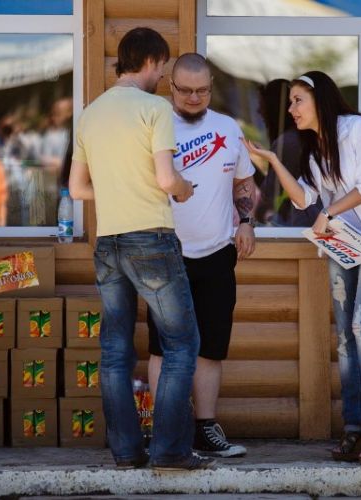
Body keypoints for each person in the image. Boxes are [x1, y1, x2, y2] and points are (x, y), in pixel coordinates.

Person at [243, 71, 361, 465]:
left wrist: (329, 212)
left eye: (298, 101)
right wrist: (273, 161)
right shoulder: (314, 150)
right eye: (290, 102)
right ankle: (354, 428)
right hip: (346, 246)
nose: (291, 109)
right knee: (344, 337)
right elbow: (304, 198)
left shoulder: (358, 129)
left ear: (319, 99)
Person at [68, 27, 213, 471]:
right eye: (163, 67)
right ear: (151, 61)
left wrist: (118, 187)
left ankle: (127, 453)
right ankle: (169, 450)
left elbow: (77, 188)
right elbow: (167, 179)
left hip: (108, 242)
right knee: (182, 344)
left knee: (115, 351)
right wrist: (184, 189)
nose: (162, 75)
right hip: (151, 238)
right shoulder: (155, 108)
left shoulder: (90, 114)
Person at [146, 53, 255, 459]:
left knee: (211, 346)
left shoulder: (228, 127)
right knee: (162, 347)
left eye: (202, 91)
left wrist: (247, 221)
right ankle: (165, 430)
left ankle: (205, 429)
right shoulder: (154, 125)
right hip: (164, 253)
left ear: (212, 87)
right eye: (186, 90)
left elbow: (243, 181)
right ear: (170, 86)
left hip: (217, 253)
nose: (194, 98)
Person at [255, 79, 321, 226]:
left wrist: (245, 162)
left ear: (274, 109)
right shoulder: (304, 138)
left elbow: (270, 193)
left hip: (304, 226)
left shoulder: (288, 142)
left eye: (263, 106)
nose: (259, 111)